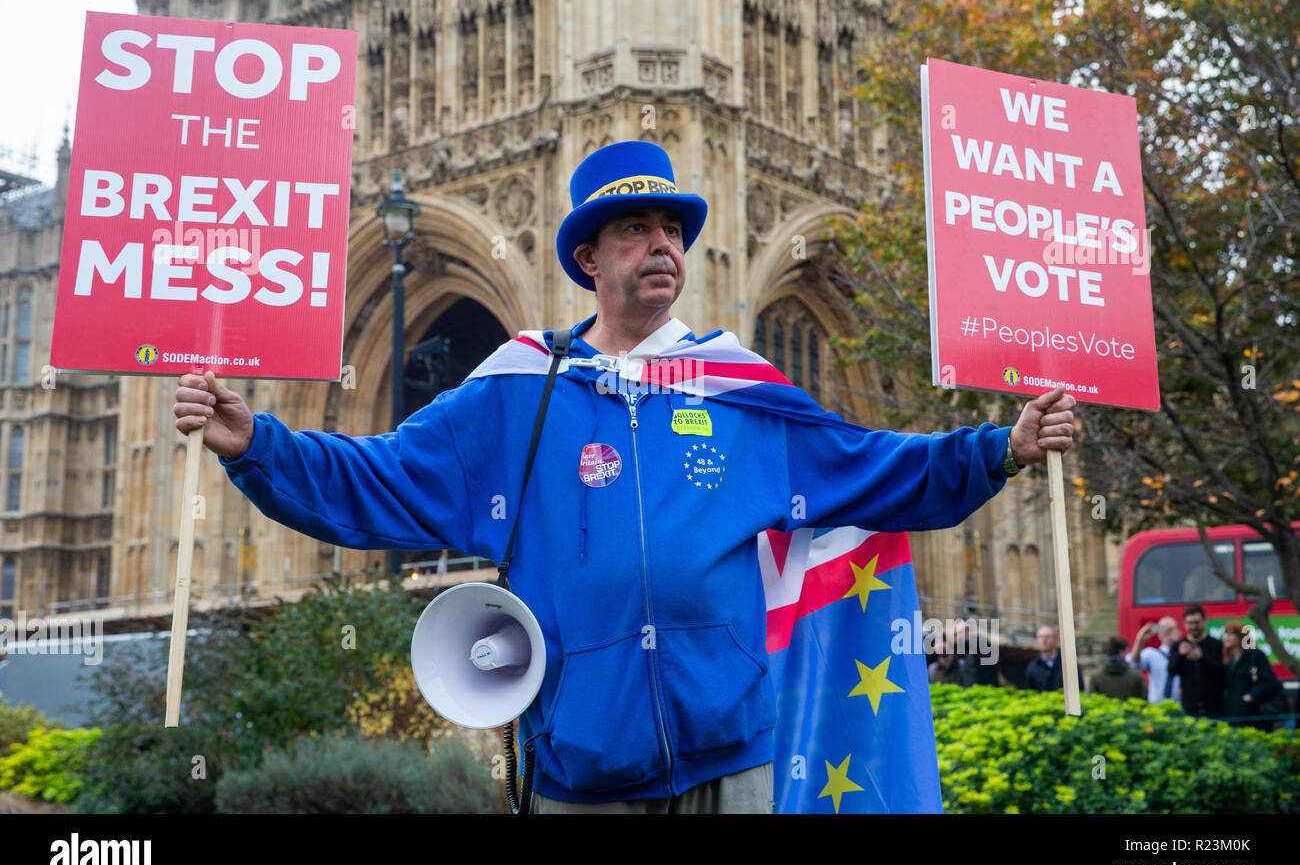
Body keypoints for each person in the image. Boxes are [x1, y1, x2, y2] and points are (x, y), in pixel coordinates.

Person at [172, 140, 1077, 813]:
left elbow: (872, 466)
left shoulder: (738, 389)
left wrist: (998, 449)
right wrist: (255, 443)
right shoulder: (522, 390)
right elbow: (379, 480)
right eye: (635, 230)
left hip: (731, 755)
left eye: (673, 231)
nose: (662, 246)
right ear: (589, 260)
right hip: (583, 765)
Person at [1221, 621, 1282, 731]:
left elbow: (1271, 683)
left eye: (1230, 634)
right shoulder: (1227, 659)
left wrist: (1252, 696)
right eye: (1226, 634)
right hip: (1233, 716)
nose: (1226, 637)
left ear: (1241, 637)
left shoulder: (1255, 655)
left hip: (1254, 716)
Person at [1168, 605, 1226, 718]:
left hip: (1214, 708)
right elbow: (1171, 672)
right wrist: (1180, 655)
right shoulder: (1178, 646)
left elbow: (1222, 675)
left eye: (1196, 622)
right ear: (1184, 624)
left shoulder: (1216, 645)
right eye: (1190, 623)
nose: (1193, 626)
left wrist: (1201, 659)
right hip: (1189, 709)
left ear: (1204, 622)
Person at [1125, 615, 1181, 705]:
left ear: (1179, 632)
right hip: (1157, 708)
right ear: (1159, 634)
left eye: (1171, 628)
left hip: (1181, 707)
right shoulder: (1151, 654)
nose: (1167, 632)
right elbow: (1134, 662)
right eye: (1163, 628)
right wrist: (1140, 640)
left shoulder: (1186, 654)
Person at [1022, 625, 1084, 692]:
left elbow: (1079, 689)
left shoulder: (1068, 664)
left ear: (1055, 640)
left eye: (1047, 637)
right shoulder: (1032, 667)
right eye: (1040, 637)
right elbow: (1029, 692)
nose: (1044, 640)